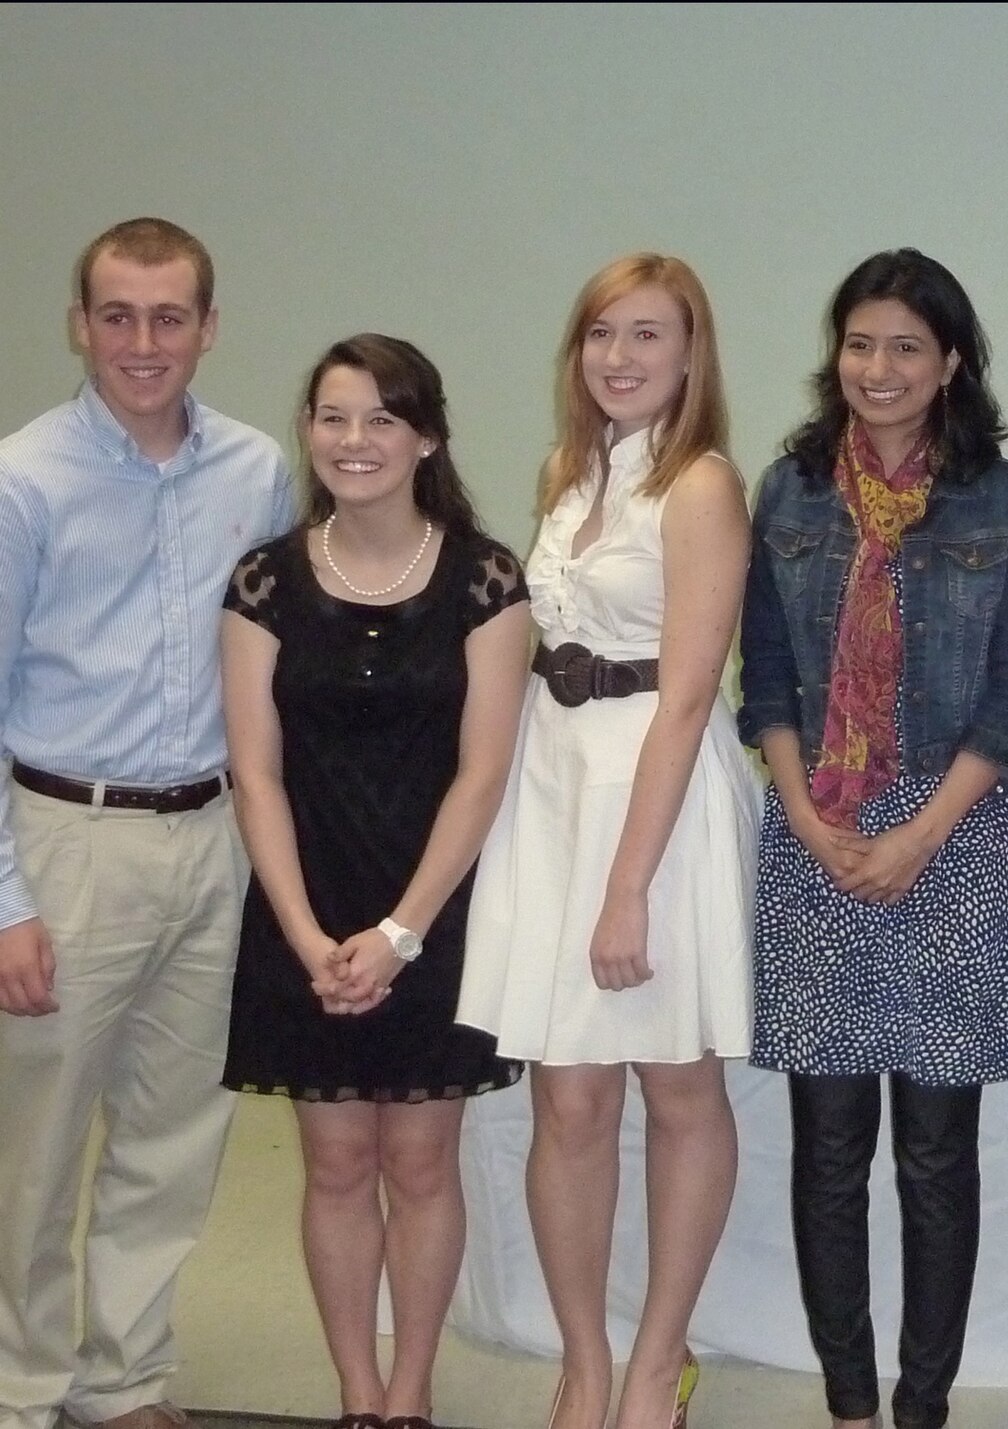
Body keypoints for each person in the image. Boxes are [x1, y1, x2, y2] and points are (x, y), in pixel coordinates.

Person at [738, 247, 1008, 1429]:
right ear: (838, 356)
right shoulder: (790, 493)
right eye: (860, 344)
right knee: (826, 1153)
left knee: (932, 1155)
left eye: (906, 348)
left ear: (949, 362)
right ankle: (850, 1407)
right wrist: (813, 821)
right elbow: (762, 675)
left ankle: (923, 1407)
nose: (879, 369)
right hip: (814, 827)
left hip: (953, 840)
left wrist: (919, 833)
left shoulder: (1002, 498)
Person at [0, 219, 293, 1429]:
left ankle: (121, 1380)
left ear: (209, 328)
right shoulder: (22, 480)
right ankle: (19, 1387)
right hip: (69, 839)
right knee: (34, 1152)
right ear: (80, 323)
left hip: (211, 836)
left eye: (168, 317)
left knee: (172, 1139)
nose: (142, 342)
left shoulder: (258, 470)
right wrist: (6, 900)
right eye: (116, 315)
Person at [457, 253, 755, 1429]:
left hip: (658, 802)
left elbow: (687, 696)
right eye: (601, 335)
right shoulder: (565, 471)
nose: (620, 357)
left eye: (647, 335)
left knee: (677, 1086)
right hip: (555, 784)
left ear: (690, 354)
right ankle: (583, 1362)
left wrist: (628, 885)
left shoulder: (701, 486)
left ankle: (655, 1362)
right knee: (566, 1100)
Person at [219, 334, 531, 1429]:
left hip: (435, 907)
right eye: (334, 416)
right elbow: (253, 773)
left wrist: (400, 931)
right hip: (304, 905)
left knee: (420, 1161)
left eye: (381, 419)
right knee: (337, 1160)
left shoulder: (485, 576)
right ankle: (357, 1396)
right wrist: (308, 937)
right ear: (308, 429)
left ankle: (411, 1395)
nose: (355, 441)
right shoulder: (263, 578)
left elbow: (485, 772)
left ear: (426, 437)